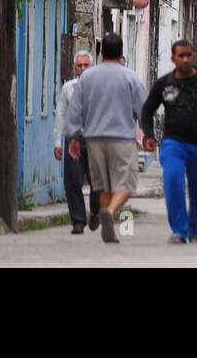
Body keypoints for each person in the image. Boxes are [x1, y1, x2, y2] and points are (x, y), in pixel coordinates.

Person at [66, 32, 147, 244]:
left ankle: (108, 227)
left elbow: (75, 110)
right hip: (121, 139)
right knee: (126, 184)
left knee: (102, 186)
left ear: (101, 53)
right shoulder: (130, 77)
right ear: (121, 52)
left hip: (93, 139)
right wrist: (150, 134)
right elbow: (143, 110)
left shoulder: (87, 78)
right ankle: (110, 212)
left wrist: (73, 137)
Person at [140, 39, 197, 244]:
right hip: (173, 143)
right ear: (173, 58)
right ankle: (178, 230)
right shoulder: (164, 83)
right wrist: (149, 135)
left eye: (189, 55)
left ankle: (194, 226)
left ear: (193, 57)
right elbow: (147, 110)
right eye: (181, 56)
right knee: (173, 181)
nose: (185, 59)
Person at [53, 48, 101, 234]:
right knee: (73, 181)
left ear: (92, 66)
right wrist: (58, 142)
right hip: (74, 140)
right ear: (75, 68)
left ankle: (95, 211)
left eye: (86, 65)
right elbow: (61, 116)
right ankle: (78, 221)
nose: (82, 68)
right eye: (79, 66)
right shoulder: (68, 88)